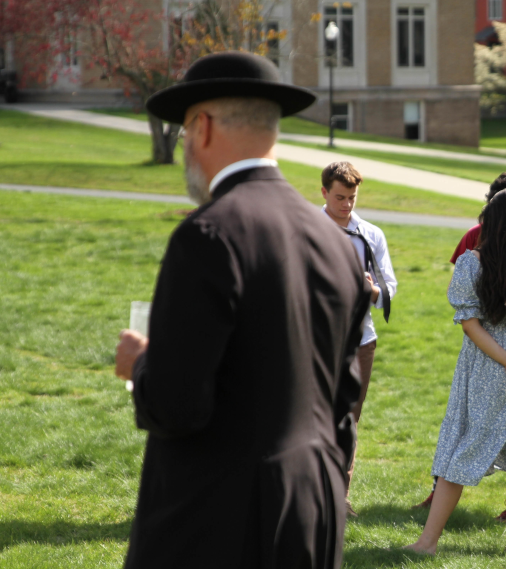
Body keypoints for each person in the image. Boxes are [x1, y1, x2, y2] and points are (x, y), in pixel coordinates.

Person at [113, 51, 370, 569]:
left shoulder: (208, 234)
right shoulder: (334, 241)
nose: (186, 146)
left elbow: (176, 404)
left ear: (202, 126)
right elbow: (345, 400)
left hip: (218, 518)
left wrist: (140, 364)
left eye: (185, 131)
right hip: (313, 509)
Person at [405, 189, 506, 555]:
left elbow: (470, 324)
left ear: (488, 220)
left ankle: (427, 544)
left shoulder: (471, 263)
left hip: (491, 366)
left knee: (463, 451)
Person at [319, 160, 397, 517]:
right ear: (323, 193)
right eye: (339, 197)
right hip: (316, 338)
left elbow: (390, 286)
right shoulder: (309, 227)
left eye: (351, 197)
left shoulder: (370, 234)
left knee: (349, 418)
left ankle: (339, 496)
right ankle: (311, 490)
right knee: (313, 415)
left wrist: (372, 291)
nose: (346, 205)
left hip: (361, 340)